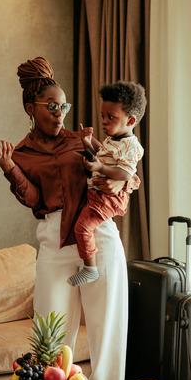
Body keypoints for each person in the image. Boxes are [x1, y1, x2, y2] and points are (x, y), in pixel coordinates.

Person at [0, 57, 139, 380]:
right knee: (51, 337)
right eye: (51, 106)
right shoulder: (22, 153)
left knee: (107, 328)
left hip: (99, 235)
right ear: (31, 108)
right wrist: (9, 167)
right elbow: (34, 200)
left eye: (63, 106)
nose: (59, 114)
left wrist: (121, 183)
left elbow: (124, 169)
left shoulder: (79, 140)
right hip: (54, 243)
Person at [67, 81, 147, 286]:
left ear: (130, 120)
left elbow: (125, 173)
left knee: (82, 228)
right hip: (98, 195)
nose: (104, 121)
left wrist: (100, 169)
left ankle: (90, 269)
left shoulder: (131, 146)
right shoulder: (113, 140)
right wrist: (88, 146)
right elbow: (103, 161)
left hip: (107, 198)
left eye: (110, 117)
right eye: (103, 116)